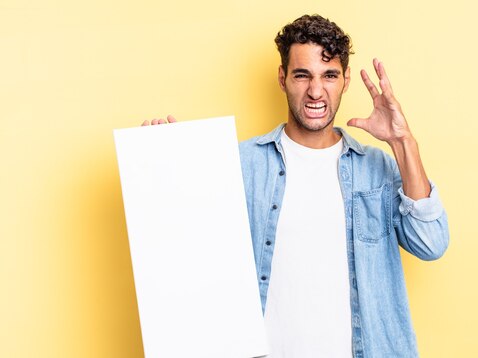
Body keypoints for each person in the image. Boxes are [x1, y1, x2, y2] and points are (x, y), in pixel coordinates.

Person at [143, 14, 449, 358]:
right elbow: (187, 250)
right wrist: (164, 165)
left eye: (329, 76)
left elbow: (431, 242)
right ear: (283, 78)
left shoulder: (376, 168)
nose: (315, 91)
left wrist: (402, 141)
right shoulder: (243, 164)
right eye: (302, 75)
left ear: (345, 80)